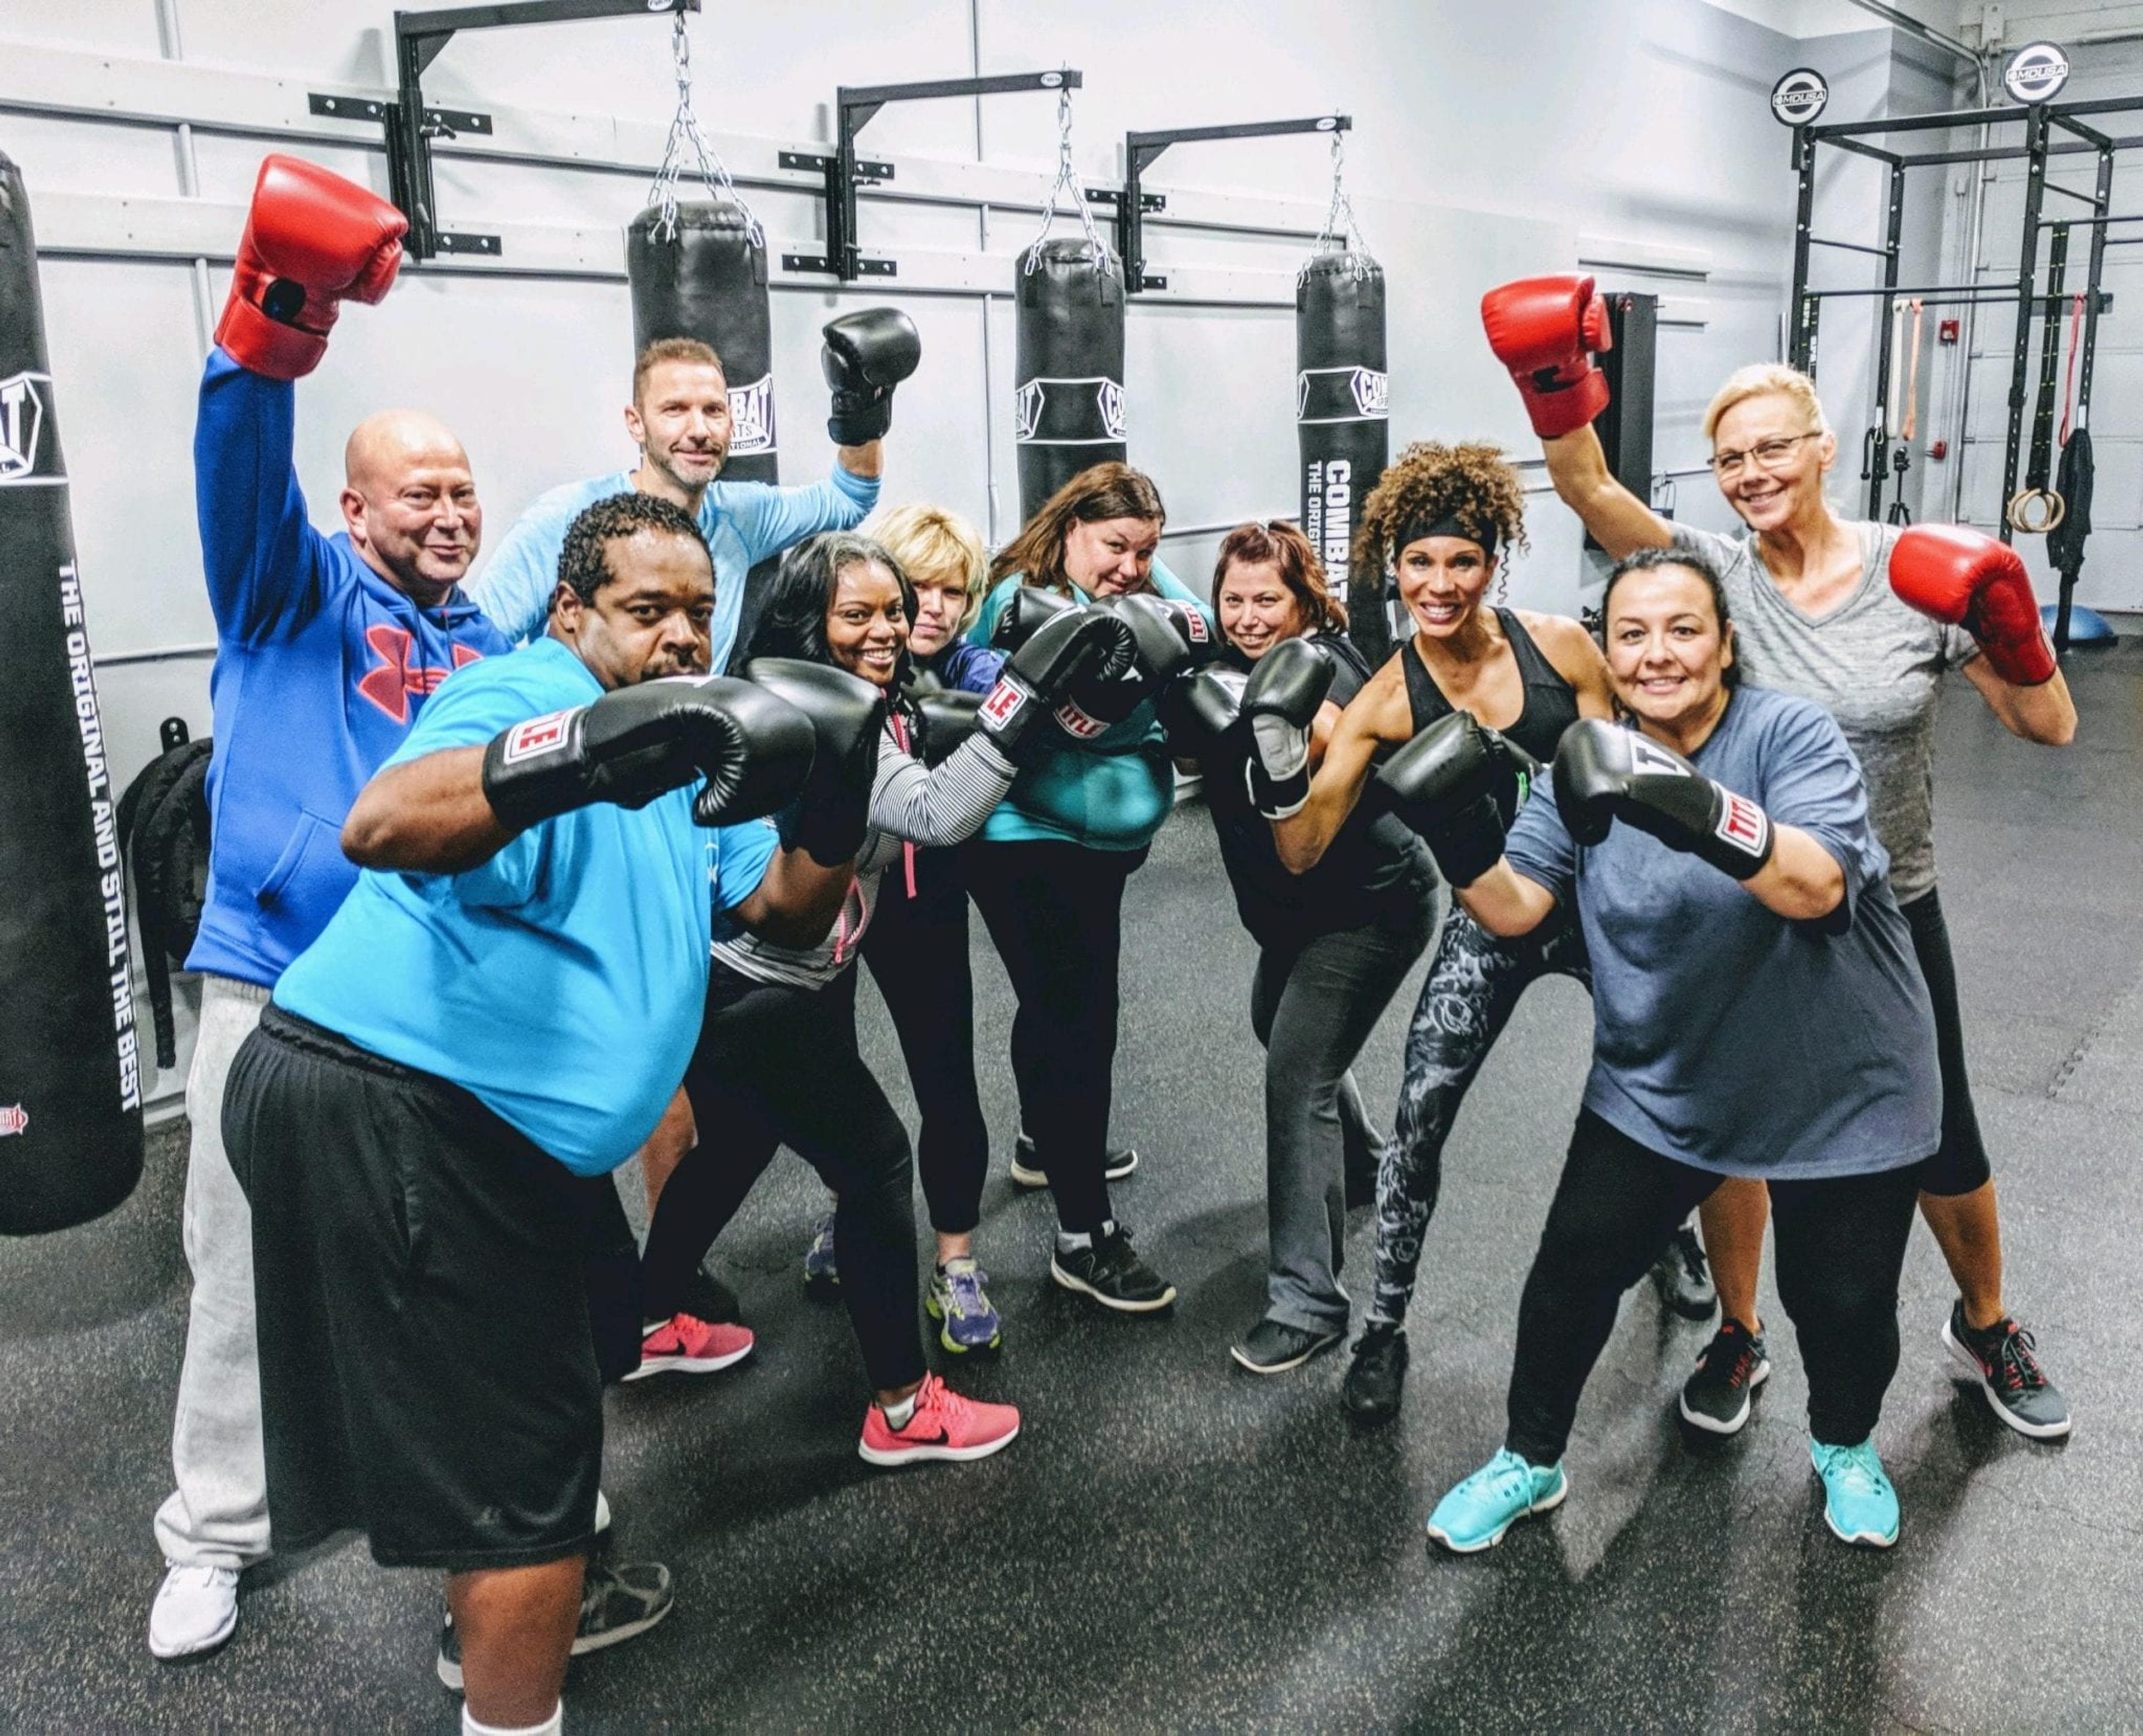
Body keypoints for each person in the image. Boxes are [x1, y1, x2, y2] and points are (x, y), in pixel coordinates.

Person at [223, 490, 875, 1736]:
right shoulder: (522, 691)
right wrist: (586, 748)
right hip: (399, 1103)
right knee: (518, 1466)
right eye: (646, 611)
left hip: (506, 1133)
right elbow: (385, 822)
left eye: (699, 611)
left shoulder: (695, 761)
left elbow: (786, 915)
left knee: (589, 1345)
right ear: (574, 612)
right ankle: (509, 1694)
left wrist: (840, 792)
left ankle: (516, 1591)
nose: (683, 637)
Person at [1493, 275, 2079, 1441]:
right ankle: (1741, 1331)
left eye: (1772, 448)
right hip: (1739, 891)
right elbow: (1584, 482)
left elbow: (2048, 725)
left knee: (1941, 1132)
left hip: (1883, 905)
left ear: (1821, 447)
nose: (1752, 473)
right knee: (1723, 1124)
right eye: (1729, 458)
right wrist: (1551, 379)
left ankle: (1987, 1321)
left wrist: (2010, 617)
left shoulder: (1915, 575)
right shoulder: (1711, 574)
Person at [145, 154, 515, 1665]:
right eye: (416, 488)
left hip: (427, 1001)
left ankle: (477, 1552)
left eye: (463, 487)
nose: (446, 508)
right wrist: (274, 318)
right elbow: (237, 449)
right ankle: (209, 1535)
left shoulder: (493, 644)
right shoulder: (286, 591)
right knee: (235, 1267)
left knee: (443, 1275)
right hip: (274, 983)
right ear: (353, 506)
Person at [1406, 546, 1940, 1552]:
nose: (1657, 655)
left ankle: (1845, 1445)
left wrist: (1687, 801)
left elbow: (1818, 888)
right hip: (1667, 1078)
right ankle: (1530, 1459)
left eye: (1683, 630)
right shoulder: (1587, 758)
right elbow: (1520, 909)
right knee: (1570, 1275)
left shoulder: (1789, 733)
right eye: (1632, 634)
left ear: (1726, 643)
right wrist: (1456, 840)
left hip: (1842, 1081)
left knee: (1842, 1298)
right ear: (1606, 651)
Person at [638, 529, 1127, 1425]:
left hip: (752, 988)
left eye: (894, 610)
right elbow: (937, 814)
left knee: (733, 1153)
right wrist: (1021, 703)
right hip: (759, 991)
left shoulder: (837, 701)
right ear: (807, 620)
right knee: (873, 1167)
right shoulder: (806, 720)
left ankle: (639, 1317)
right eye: (857, 613)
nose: (888, 629)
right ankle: (904, 1408)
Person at [1265, 444, 1644, 1425]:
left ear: (1493, 562)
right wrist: (1274, 753)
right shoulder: (1384, 701)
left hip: (1596, 910)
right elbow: (1303, 849)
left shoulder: (1561, 649)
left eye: (1461, 563)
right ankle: (1383, 1331)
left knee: (1657, 1096)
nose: (1439, 585)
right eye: (1420, 563)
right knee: (1418, 1121)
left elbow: (1631, 776)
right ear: (1393, 565)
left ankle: (1675, 1249)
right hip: (1488, 923)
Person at [1164, 522, 1435, 1373]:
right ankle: (1364, 1167)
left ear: (1303, 599)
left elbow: (1327, 727)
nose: (1248, 617)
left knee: (1298, 1074)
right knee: (1272, 1019)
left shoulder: (1328, 665)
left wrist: (1270, 717)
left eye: (1266, 600)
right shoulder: (1230, 668)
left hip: (1370, 905)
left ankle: (1309, 1300)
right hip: (1295, 916)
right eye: (1233, 599)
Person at [963, 463, 1215, 1314]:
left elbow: (1197, 626)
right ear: (1068, 527)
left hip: (1099, 850)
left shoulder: (1129, 580)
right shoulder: (1013, 600)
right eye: (1115, 544)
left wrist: (1139, 607)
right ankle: (1083, 1237)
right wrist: (1134, 701)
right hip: (1024, 844)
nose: (1132, 565)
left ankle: (1045, 1143)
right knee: (1077, 1020)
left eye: (1146, 549)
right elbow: (1028, 710)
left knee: (1058, 1010)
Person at [792, 504, 1012, 1349]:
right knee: (827, 1078)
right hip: (831, 899)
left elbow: (1000, 683)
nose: (930, 607)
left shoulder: (969, 669)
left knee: (945, 1072)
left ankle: (955, 1263)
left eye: (952, 590)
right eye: (913, 588)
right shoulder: (821, 675)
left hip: (925, 898)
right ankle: (864, 1213)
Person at [469, 321, 916, 672]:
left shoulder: (740, 515)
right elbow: (476, 647)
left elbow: (848, 498)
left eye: (713, 411)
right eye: (675, 410)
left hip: (687, 757)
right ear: (636, 423)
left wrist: (862, 406)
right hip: (585, 760)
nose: (699, 431)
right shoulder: (566, 517)